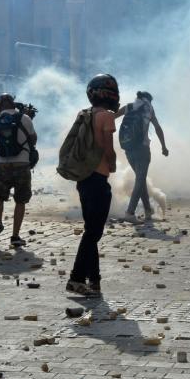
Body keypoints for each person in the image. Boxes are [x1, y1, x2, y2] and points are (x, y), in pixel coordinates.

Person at [66, 74, 118, 297]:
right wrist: (113, 164)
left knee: (91, 231)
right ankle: (76, 279)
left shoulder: (85, 114)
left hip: (84, 178)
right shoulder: (106, 117)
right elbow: (109, 149)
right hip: (98, 180)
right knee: (93, 233)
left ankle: (94, 280)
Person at [0, 93, 36, 245]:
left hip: (1, 163)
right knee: (20, 201)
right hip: (21, 164)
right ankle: (15, 236)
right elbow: (33, 139)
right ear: (13, 104)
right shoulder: (24, 118)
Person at [115, 90, 168, 222]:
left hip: (128, 149)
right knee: (140, 179)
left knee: (141, 178)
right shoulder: (148, 108)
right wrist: (163, 146)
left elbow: (112, 117)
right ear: (148, 100)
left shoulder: (129, 106)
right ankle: (130, 212)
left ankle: (148, 211)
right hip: (142, 149)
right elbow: (157, 128)